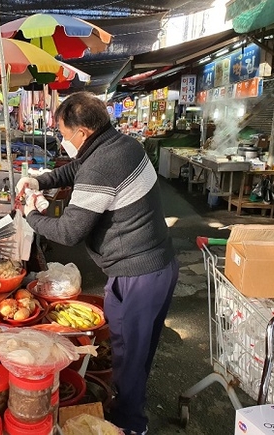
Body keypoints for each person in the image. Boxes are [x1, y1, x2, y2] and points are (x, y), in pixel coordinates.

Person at [17, 92, 178, 435]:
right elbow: (77, 168)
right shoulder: (122, 145)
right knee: (137, 351)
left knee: (128, 356)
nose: (63, 140)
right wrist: (40, 181)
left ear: (83, 132)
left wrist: (31, 214)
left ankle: (130, 424)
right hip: (156, 264)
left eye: (64, 133)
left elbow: (69, 231)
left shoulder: (102, 164)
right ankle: (131, 406)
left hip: (137, 274)